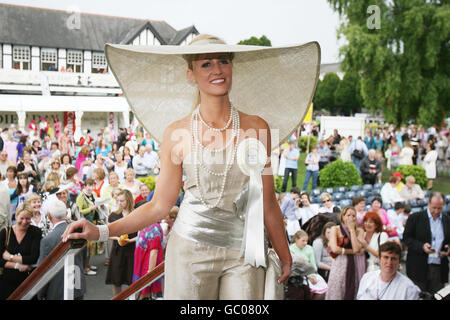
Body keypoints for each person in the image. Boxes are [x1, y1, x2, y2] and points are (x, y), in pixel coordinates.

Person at [61, 33, 321, 299]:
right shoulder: (176, 133)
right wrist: (101, 231)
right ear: (191, 74)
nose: (217, 70)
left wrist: (284, 253)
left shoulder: (257, 127)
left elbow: (267, 202)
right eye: (206, 64)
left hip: (245, 253)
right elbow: (160, 205)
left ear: (232, 67)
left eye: (223, 61)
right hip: (189, 252)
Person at [37, 199, 86, 300]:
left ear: (49, 216)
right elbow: (83, 259)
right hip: (77, 284)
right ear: (67, 213)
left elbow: (42, 271)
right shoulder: (79, 232)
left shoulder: (47, 240)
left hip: (57, 290)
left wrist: (40, 294)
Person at [403, 192, 449, 294]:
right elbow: (406, 238)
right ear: (428, 204)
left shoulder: (447, 219)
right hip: (418, 267)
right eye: (434, 208)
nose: (436, 211)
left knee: (437, 296)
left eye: (439, 208)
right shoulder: (415, 218)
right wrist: (421, 246)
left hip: (439, 267)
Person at [0, 204, 42, 300]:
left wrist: (10, 257)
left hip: (28, 281)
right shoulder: (5, 232)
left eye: (27, 219)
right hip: (6, 283)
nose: (24, 222)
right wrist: (17, 266)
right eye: (21, 218)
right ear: (16, 216)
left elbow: (34, 257)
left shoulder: (36, 232)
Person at [326, 206, 365, 300]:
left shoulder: (359, 231)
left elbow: (356, 248)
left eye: (353, 215)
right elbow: (335, 249)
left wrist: (351, 230)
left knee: (352, 289)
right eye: (348, 215)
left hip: (354, 264)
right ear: (343, 217)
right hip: (340, 264)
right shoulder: (335, 229)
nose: (351, 218)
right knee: (337, 291)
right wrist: (352, 252)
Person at [106, 189, 137, 297]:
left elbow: (142, 233)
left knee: (132, 279)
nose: (120, 203)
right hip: (117, 250)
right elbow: (108, 233)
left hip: (132, 250)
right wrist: (117, 238)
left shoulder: (136, 214)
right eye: (118, 201)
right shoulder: (113, 215)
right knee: (116, 279)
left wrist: (131, 240)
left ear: (128, 200)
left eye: (122, 201)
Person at [132, 215, 164, 300]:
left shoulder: (154, 229)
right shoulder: (146, 225)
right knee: (140, 293)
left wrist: (149, 275)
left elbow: (154, 252)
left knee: (144, 295)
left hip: (146, 267)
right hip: (141, 265)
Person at [289, 230, 327, 299]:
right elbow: (293, 266)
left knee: (322, 288)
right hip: (298, 275)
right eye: (303, 241)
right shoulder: (291, 249)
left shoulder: (309, 248)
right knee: (308, 290)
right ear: (296, 239)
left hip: (311, 272)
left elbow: (313, 264)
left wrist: (312, 275)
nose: (305, 243)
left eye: (306, 241)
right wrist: (308, 276)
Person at [75, 179, 100, 276]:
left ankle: (88, 264)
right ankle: (86, 268)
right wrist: (90, 208)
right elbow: (79, 211)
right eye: (88, 185)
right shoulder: (81, 196)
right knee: (87, 247)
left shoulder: (93, 194)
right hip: (85, 224)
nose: (90, 188)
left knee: (91, 246)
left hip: (93, 222)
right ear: (84, 186)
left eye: (92, 185)